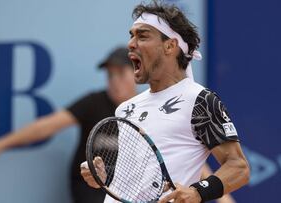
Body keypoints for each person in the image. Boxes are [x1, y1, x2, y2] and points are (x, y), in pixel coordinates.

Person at [81, 1, 250, 203]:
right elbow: (137, 174)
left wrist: (198, 192)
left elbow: (238, 167)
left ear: (170, 45)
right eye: (131, 35)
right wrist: (104, 174)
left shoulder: (200, 100)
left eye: (142, 36)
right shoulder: (125, 109)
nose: (131, 44)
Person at [0, 47, 137, 203]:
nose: (114, 81)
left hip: (128, 188)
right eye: (110, 75)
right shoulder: (93, 103)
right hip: (88, 188)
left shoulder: (144, 109)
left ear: (136, 72)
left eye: (121, 73)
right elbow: (46, 126)